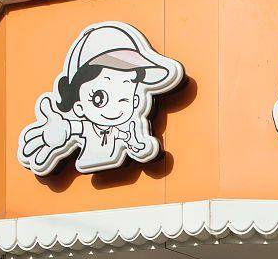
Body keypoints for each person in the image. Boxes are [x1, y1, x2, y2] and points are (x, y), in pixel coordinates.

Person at [18, 23, 183, 174]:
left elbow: (133, 142)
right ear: (79, 107)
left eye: (124, 97)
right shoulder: (84, 128)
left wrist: (137, 145)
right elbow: (72, 128)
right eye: (99, 98)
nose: (114, 107)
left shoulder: (124, 130)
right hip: (87, 160)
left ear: (135, 100)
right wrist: (58, 132)